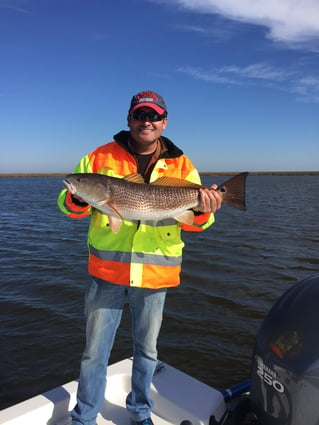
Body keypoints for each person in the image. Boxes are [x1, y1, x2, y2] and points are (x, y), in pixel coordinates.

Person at [57, 90, 222, 425]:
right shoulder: (98, 157)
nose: (146, 122)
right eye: (140, 115)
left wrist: (205, 210)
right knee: (94, 352)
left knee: (148, 352)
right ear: (129, 119)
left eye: (153, 116)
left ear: (164, 122)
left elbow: (196, 223)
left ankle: (141, 411)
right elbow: (67, 201)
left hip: (154, 274)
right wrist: (77, 197)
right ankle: (84, 417)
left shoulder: (182, 164)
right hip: (107, 272)